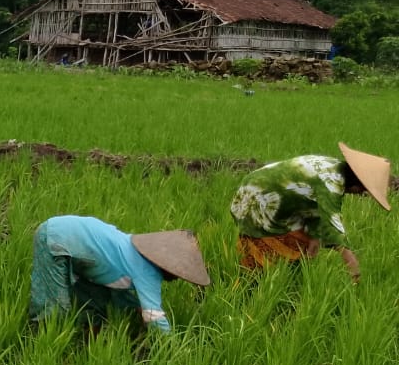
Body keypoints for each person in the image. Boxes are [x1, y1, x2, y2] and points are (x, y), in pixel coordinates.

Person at [229, 143, 390, 281]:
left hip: (256, 187)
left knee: (302, 241)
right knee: (274, 246)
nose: (359, 193)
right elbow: (332, 226)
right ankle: (256, 278)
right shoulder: (331, 184)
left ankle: (281, 276)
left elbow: (311, 203)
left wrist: (314, 238)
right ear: (357, 183)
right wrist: (352, 265)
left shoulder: (333, 166)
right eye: (362, 189)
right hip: (257, 199)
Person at [28, 216, 210, 334]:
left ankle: (88, 343)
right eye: (177, 271)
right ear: (167, 265)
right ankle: (40, 346)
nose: (177, 277)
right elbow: (154, 317)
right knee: (55, 311)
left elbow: (116, 292)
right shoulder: (148, 271)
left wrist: (136, 307)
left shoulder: (130, 251)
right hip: (56, 239)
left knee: (96, 300)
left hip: (66, 238)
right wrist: (173, 350)